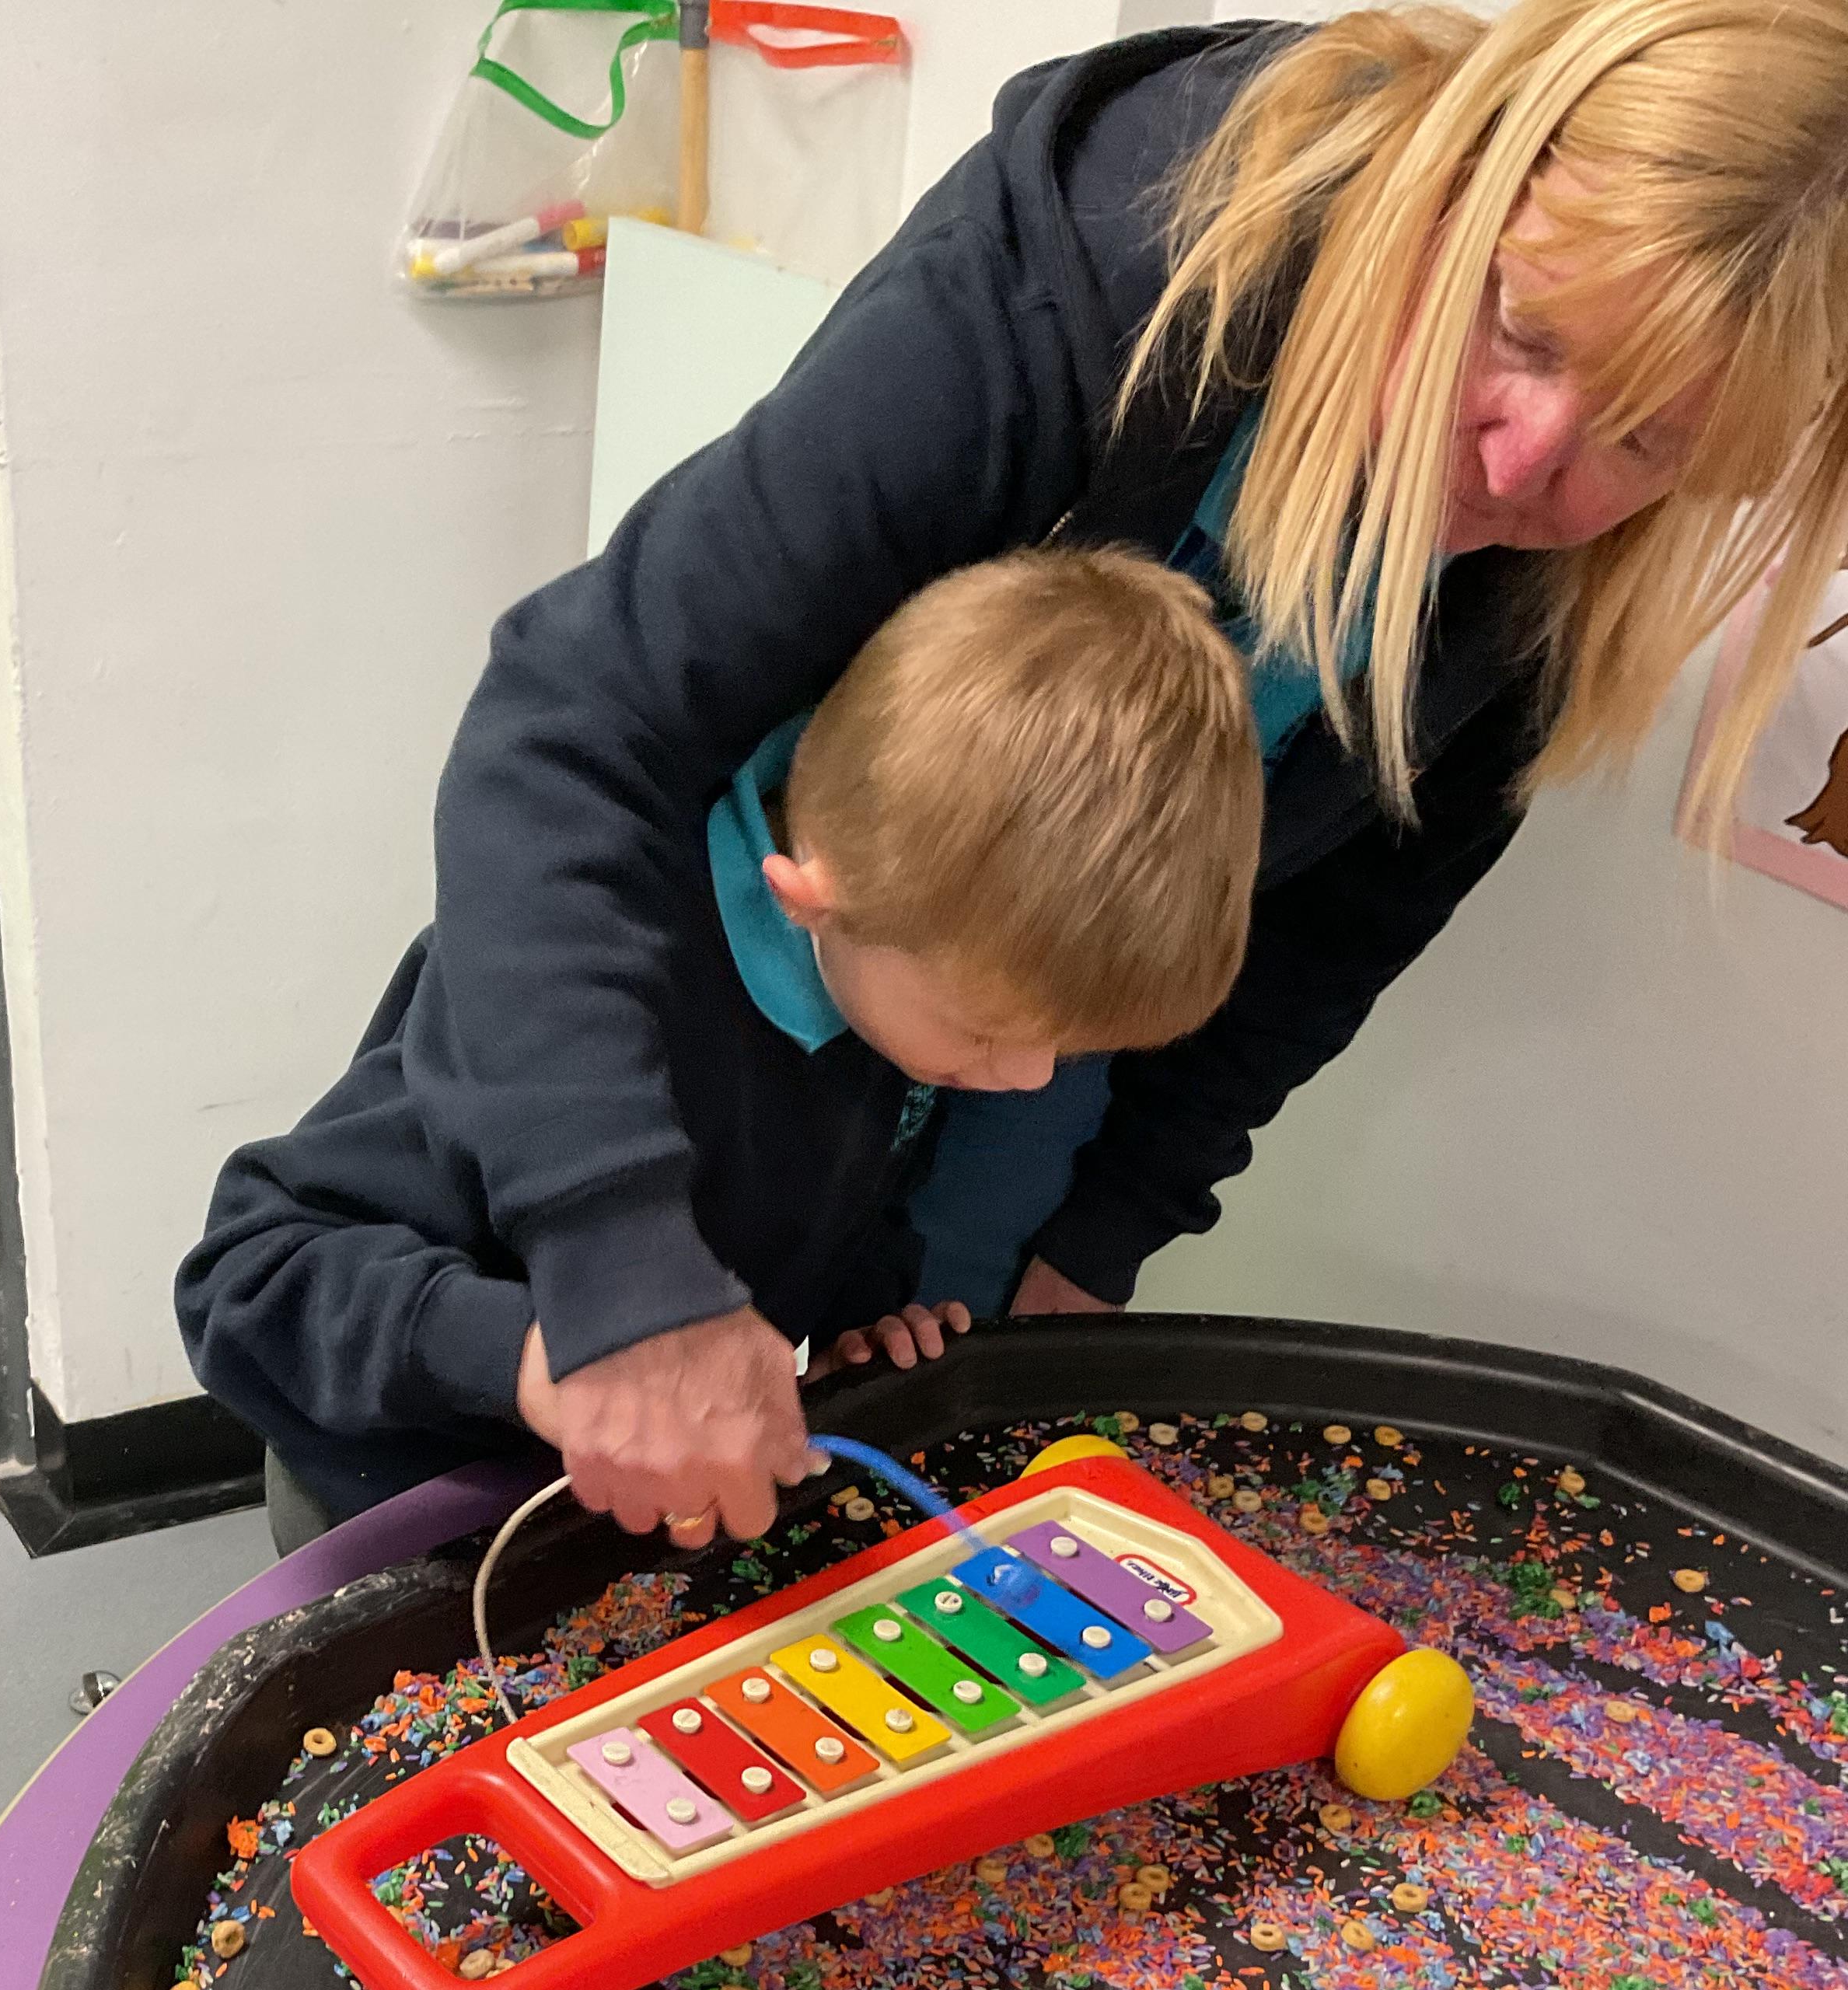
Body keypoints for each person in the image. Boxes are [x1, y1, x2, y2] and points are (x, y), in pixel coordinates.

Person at [197, 0, 1848, 1550]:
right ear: (1464, 189)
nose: (1522, 461)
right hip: (419, 1495)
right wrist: (615, 1285)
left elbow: (1318, 953)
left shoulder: (923, 1053)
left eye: (1650, 441)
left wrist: (1056, 1255)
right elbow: (577, 726)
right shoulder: (1089, 280)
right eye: (1522, 328)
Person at [180, 544, 1262, 1550]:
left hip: (610, 1533)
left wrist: (858, 1334)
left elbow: (825, 1204)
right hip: (402, 1513)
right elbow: (251, 1277)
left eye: (1064, 1052)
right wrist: (538, 1360)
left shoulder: (896, 987)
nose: (1024, 1080)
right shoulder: (582, 994)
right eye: (990, 1035)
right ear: (813, 898)